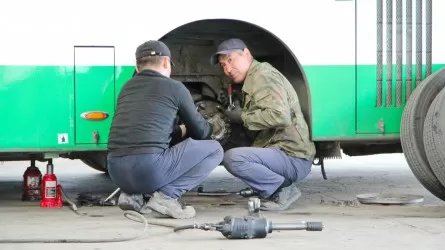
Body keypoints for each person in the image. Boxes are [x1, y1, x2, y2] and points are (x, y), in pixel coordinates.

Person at [107, 40, 224, 219]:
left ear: (137, 67)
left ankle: (134, 195)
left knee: (151, 149)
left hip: (115, 171)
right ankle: (166, 197)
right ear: (165, 62)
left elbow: (146, 131)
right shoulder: (175, 88)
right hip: (149, 169)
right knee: (215, 150)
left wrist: (180, 130)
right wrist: (209, 125)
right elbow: (202, 132)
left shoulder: (126, 88)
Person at [210, 38, 316, 211]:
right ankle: (271, 186)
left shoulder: (263, 75)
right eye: (223, 65)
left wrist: (242, 117)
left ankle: (283, 190)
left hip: (292, 156)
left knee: (234, 158)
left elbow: (280, 116)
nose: (227, 69)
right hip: (281, 153)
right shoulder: (253, 78)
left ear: (246, 54)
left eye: (230, 60)